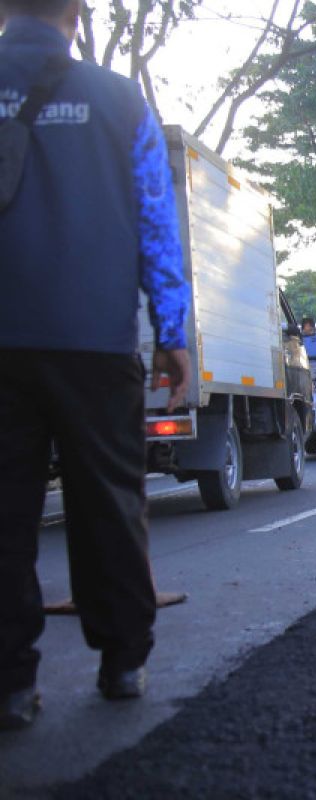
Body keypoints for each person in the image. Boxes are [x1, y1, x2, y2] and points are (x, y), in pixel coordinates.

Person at [0, 0, 192, 727]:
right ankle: (122, 662)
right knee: (107, 501)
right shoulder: (117, 100)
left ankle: (11, 685)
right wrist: (171, 330)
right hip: (95, 339)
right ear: (77, 14)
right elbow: (154, 219)